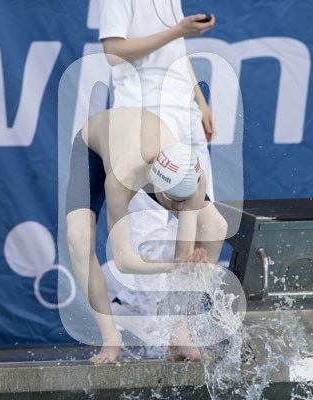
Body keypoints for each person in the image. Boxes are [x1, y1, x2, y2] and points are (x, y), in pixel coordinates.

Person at [66, 107, 227, 363]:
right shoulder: (121, 179)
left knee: (215, 226)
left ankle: (180, 335)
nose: (179, 208)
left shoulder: (194, 178)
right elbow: (124, 261)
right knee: (78, 237)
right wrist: (175, 266)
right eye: (173, 201)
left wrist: (188, 262)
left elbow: (183, 254)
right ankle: (110, 339)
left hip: (148, 146)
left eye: (184, 201)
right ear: (155, 183)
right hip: (94, 148)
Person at [99, 0, 217, 344]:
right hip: (146, 107)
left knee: (202, 217)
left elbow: (176, 51)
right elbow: (114, 52)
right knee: (148, 221)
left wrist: (199, 100)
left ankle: (183, 324)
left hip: (185, 110)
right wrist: (178, 30)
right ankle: (151, 324)